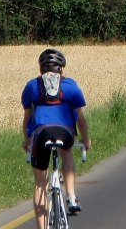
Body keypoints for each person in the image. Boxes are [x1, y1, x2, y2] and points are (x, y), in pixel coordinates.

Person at [21, 48, 91, 229]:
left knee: (41, 184)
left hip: (41, 133)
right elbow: (81, 120)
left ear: (41, 69)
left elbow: (27, 118)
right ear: (62, 69)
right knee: (66, 152)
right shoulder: (70, 85)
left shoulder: (32, 86)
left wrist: (27, 140)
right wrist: (85, 139)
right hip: (65, 132)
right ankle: (71, 196)